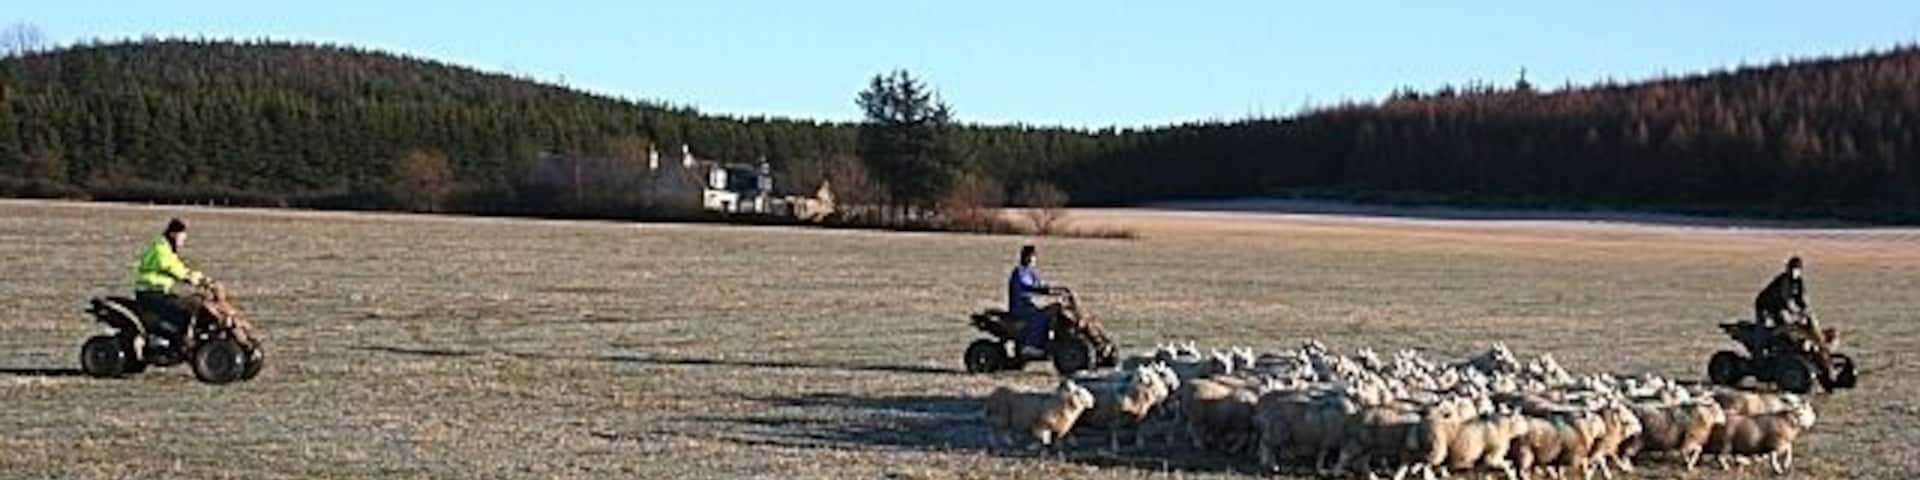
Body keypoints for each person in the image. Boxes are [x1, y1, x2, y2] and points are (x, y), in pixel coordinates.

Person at [133, 218, 209, 346]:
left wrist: (201, 278)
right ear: (173, 234)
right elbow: (171, 268)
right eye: (182, 236)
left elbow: (180, 268)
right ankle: (172, 342)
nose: (183, 240)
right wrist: (192, 279)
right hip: (150, 293)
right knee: (184, 313)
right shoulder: (160, 248)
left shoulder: (167, 249)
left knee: (190, 307)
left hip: (159, 292)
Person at [1008, 244, 1063, 358]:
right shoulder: (1018, 272)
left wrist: (1053, 289)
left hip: (1029, 305)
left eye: (1033, 257)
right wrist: (1040, 290)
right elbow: (1023, 288)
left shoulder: (1031, 272)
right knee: (1039, 317)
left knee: (1053, 310)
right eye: (1031, 257)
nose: (1033, 260)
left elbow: (1039, 285)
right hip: (1020, 307)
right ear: (1025, 257)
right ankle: (1030, 346)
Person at [1753, 256, 1808, 328]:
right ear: (1788, 269)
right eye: (1793, 268)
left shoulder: (1798, 281)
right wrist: (1791, 310)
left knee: (1803, 319)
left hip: (1781, 306)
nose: (1795, 271)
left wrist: (1804, 309)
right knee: (1774, 323)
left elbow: (1800, 297)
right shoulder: (1783, 280)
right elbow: (1784, 299)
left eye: (1798, 269)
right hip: (1766, 306)